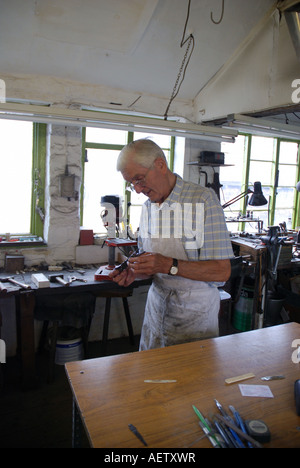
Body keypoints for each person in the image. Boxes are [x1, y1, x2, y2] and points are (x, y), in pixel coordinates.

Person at [110, 139, 233, 350]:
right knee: (152, 376)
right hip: (157, 308)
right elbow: (150, 260)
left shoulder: (202, 201)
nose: (138, 190)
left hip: (194, 314)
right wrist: (136, 271)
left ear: (160, 165)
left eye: (139, 179)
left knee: (188, 378)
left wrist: (168, 265)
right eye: (132, 183)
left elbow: (221, 272)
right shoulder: (148, 208)